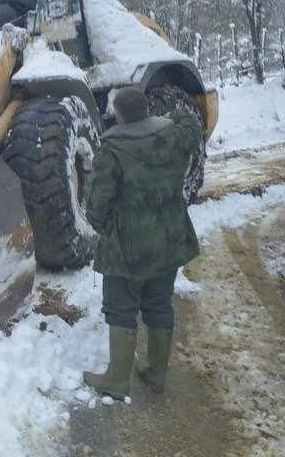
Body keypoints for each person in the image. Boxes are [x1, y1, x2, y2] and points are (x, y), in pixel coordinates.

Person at [82, 87, 202, 400]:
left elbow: (96, 202)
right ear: (148, 110)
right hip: (169, 238)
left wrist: (106, 227)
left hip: (128, 245)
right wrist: (166, 117)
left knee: (121, 308)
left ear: (118, 115)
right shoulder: (175, 135)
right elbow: (191, 120)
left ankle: (117, 381)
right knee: (159, 303)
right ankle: (155, 373)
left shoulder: (112, 148)